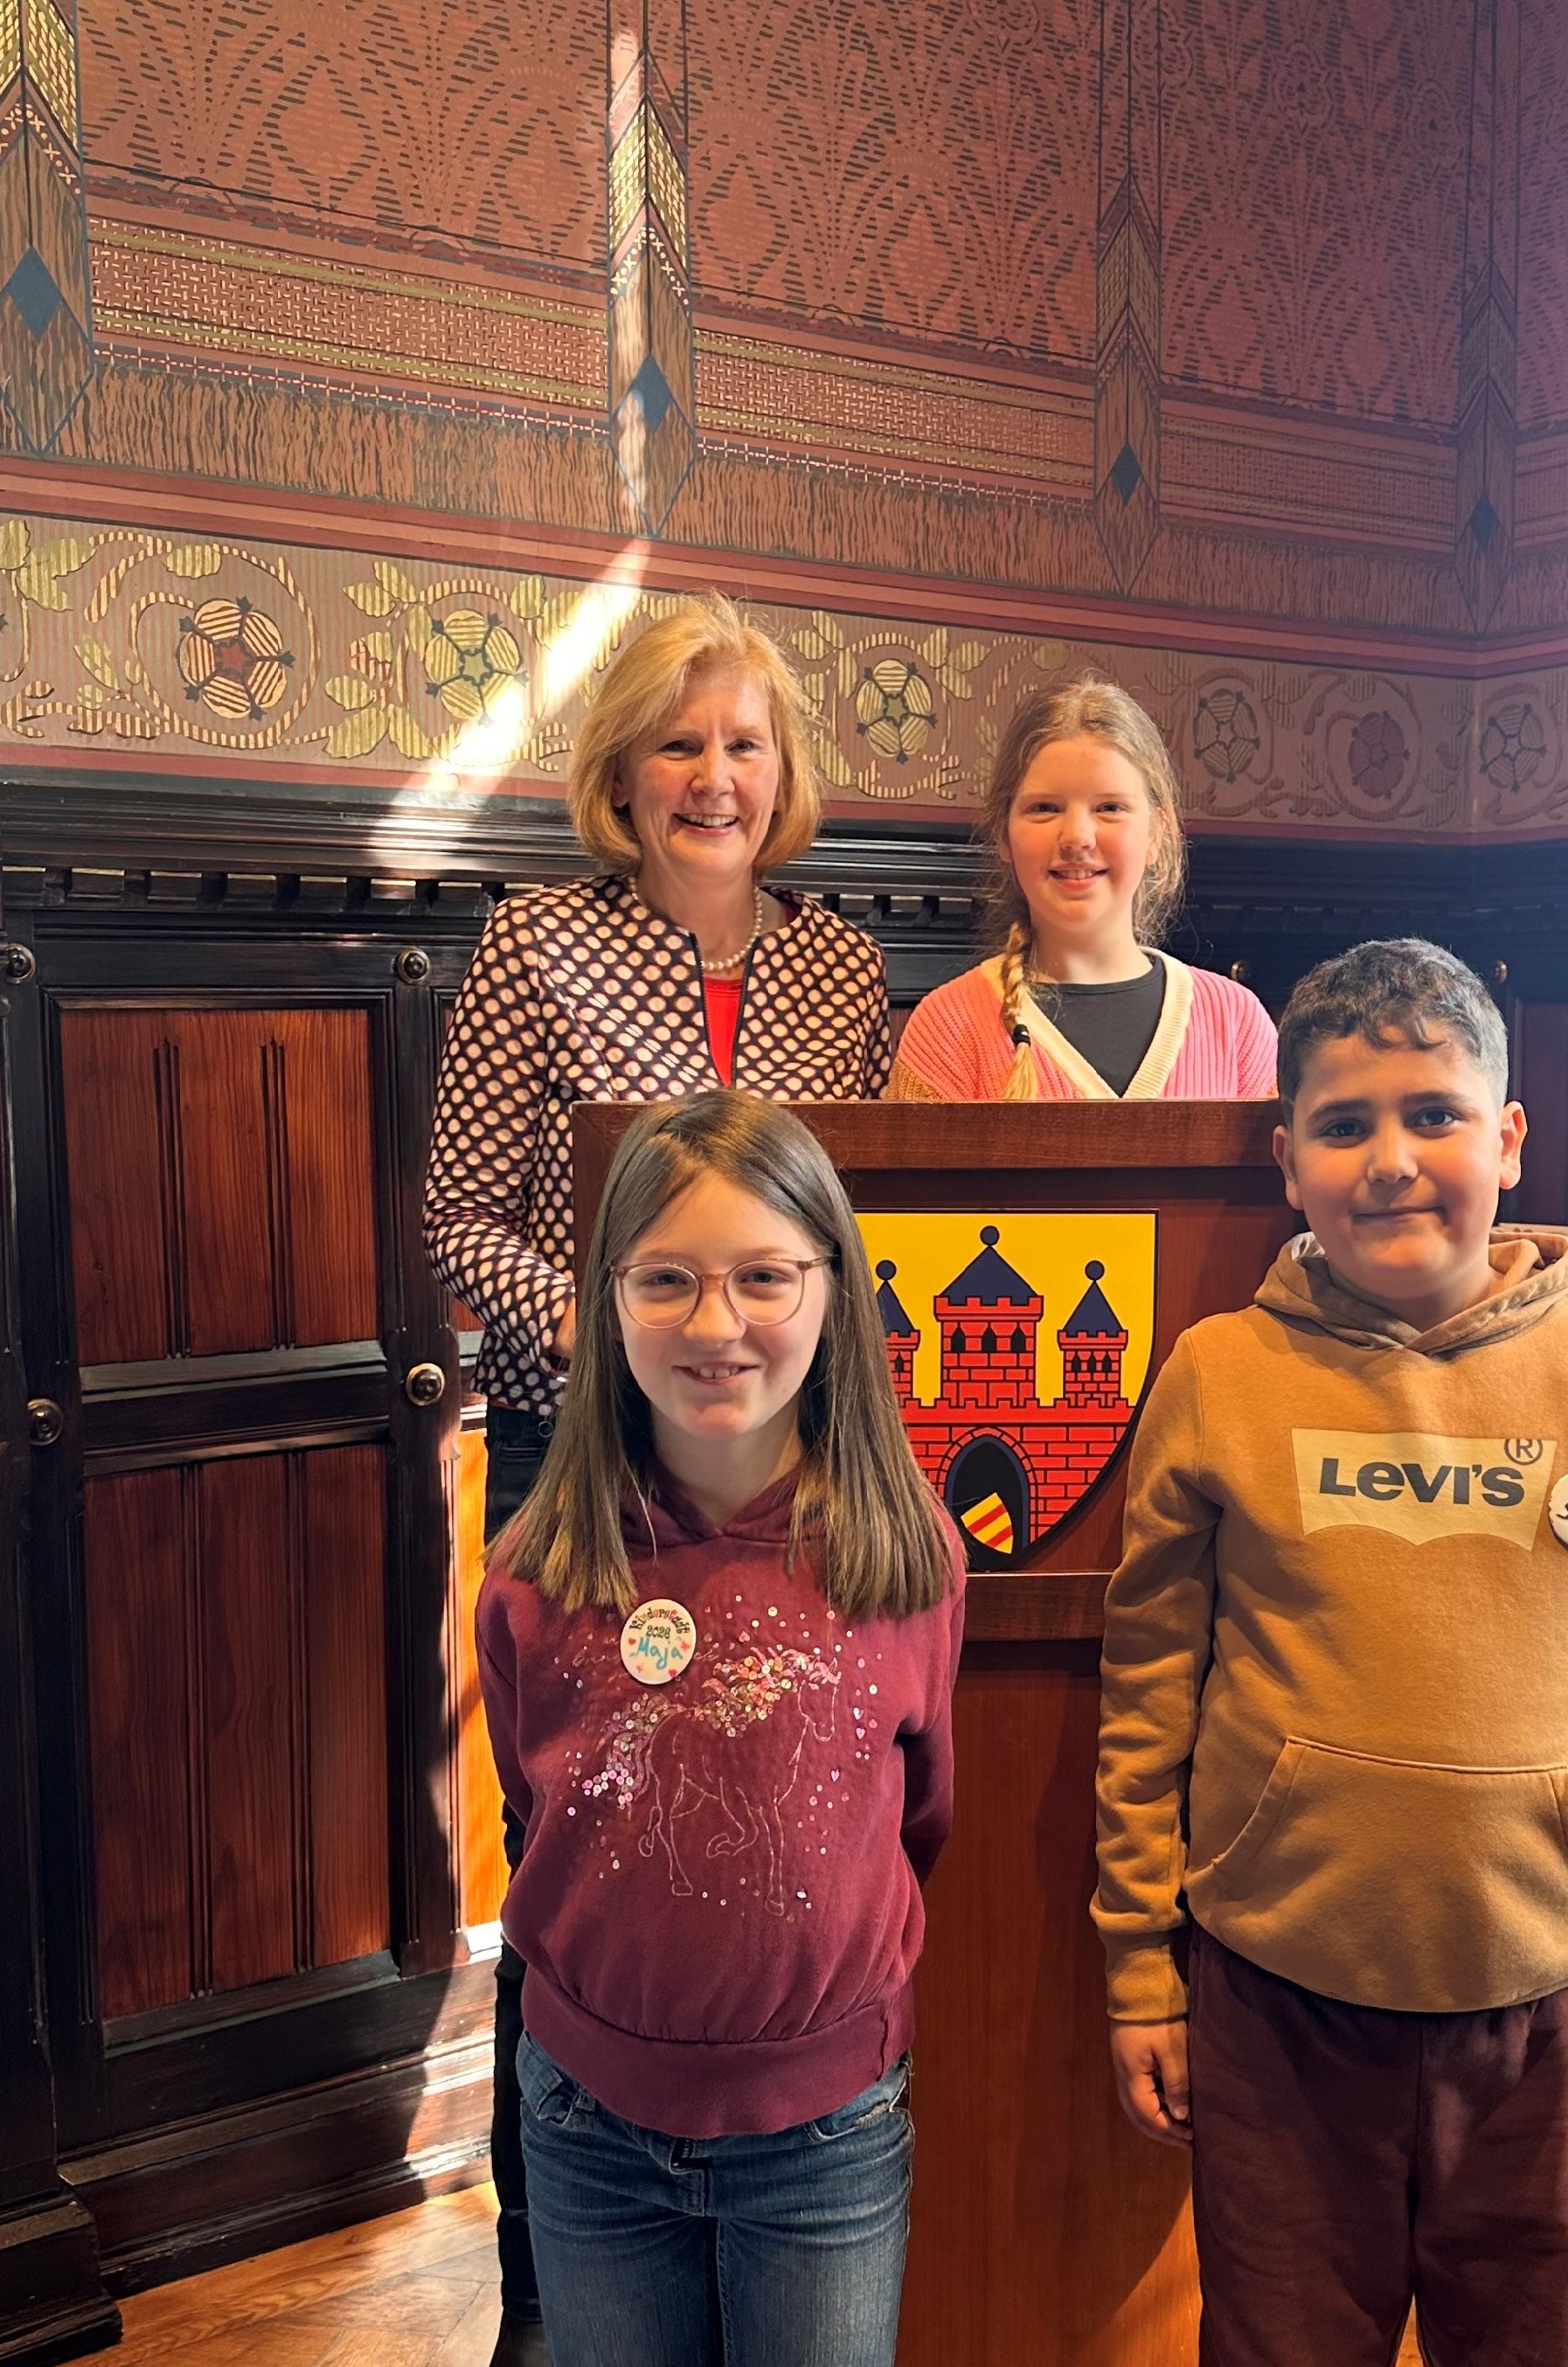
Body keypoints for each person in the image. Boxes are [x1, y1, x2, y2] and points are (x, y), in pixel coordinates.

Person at [1091, 937, 1568, 2367]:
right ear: (1288, 1161)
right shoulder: (1217, 1374)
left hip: (1549, 2012)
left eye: (1434, 1114)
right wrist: (1140, 1967)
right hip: (1271, 2008)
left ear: (1508, 1139)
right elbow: (1148, 1691)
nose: (1391, 1161)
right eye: (1344, 1124)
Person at [426, 592, 891, 2365]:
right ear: (620, 773)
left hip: (783, 1485)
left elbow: (850, 1230)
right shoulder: (536, 941)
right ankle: (552, 2305)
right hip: (585, 1470)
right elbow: (459, 1215)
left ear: (784, 773)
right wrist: (620, 1328)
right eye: (678, 743)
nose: (713, 775)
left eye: (743, 744)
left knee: (776, 1848)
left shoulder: (842, 969)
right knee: (585, 1871)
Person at [477, 1091, 965, 2367]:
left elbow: (918, 1818)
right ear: (607, 1297)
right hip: (587, 2123)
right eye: (666, 1279)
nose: (714, 1324)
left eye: (763, 1275)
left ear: (834, 1288)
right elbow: (538, 1811)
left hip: (825, 2134)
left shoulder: (904, 1557)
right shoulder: (536, 1571)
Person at [886, 678, 1275, 1101]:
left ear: (1156, 833)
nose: (1076, 837)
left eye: (1110, 807)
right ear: (1003, 833)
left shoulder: (1237, 1024)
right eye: (1045, 808)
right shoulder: (945, 1031)